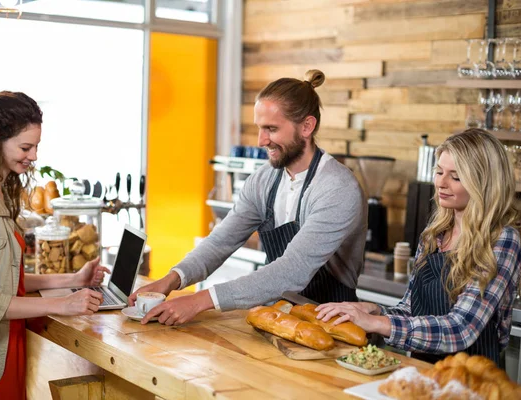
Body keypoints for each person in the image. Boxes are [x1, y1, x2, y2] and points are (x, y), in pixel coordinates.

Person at [130, 69, 367, 325]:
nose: (261, 140)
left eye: (271, 129)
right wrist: (171, 279)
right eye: (259, 128)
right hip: (279, 318)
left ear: (307, 126)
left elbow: (292, 271)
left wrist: (200, 300)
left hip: (334, 324)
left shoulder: (336, 187)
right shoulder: (264, 180)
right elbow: (222, 241)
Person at [0, 91, 110, 399]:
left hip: (3, 344)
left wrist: (72, 280)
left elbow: (4, 279)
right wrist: (61, 304)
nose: (35, 155)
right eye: (26, 147)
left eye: (36, 146)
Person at [316, 129, 521, 366]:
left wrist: (377, 324)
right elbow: (410, 311)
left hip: (473, 379)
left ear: (485, 183)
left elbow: (461, 329)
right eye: (439, 172)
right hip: (421, 370)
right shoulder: (434, 235)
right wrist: (375, 312)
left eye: (455, 177)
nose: (441, 183)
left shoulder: (502, 239)